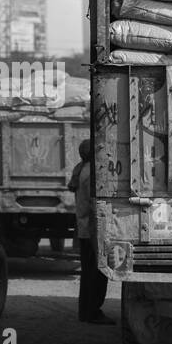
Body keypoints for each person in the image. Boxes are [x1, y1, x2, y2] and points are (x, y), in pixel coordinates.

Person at [70, 139, 112, 325]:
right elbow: (94, 205)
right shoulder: (91, 174)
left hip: (86, 230)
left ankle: (86, 312)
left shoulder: (81, 169)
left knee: (88, 273)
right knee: (97, 274)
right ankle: (93, 312)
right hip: (93, 231)